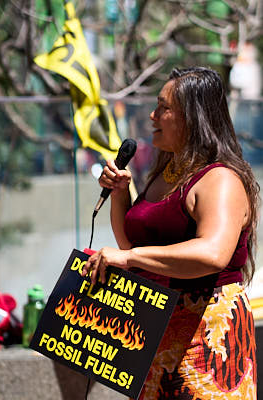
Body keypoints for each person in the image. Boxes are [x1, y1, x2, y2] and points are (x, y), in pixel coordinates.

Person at [82, 67, 260, 399]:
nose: (152, 115)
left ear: (192, 117)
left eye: (163, 107)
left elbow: (212, 254)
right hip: (155, 330)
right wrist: (121, 195)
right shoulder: (166, 172)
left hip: (206, 337)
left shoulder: (220, 179)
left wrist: (130, 257)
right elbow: (130, 247)